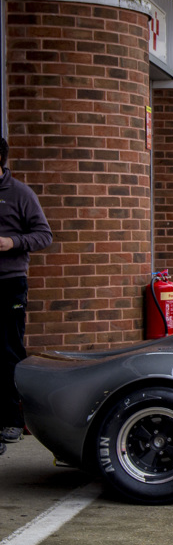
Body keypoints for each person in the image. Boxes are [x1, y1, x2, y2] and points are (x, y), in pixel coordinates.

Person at [0, 138, 53, 450]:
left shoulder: (20, 194)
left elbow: (43, 234)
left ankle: (11, 419)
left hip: (9, 283)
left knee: (8, 350)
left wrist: (11, 243)